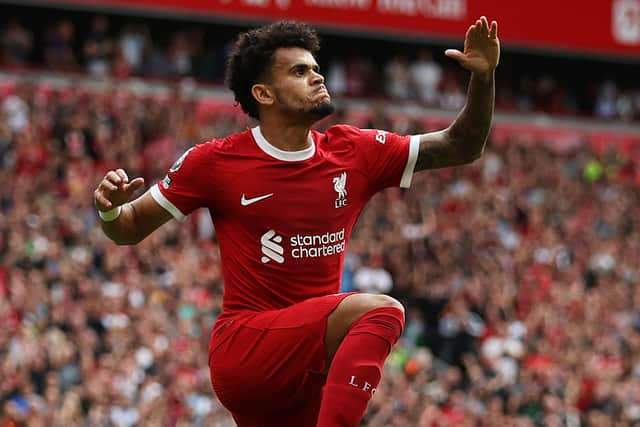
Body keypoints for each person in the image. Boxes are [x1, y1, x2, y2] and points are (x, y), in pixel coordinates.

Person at [93, 17, 499, 427]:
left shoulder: (354, 152)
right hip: (247, 350)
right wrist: (110, 209)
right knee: (382, 312)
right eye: (299, 71)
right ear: (263, 93)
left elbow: (462, 145)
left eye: (315, 67)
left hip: (306, 373)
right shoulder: (214, 162)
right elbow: (128, 229)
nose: (316, 75)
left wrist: (483, 78)